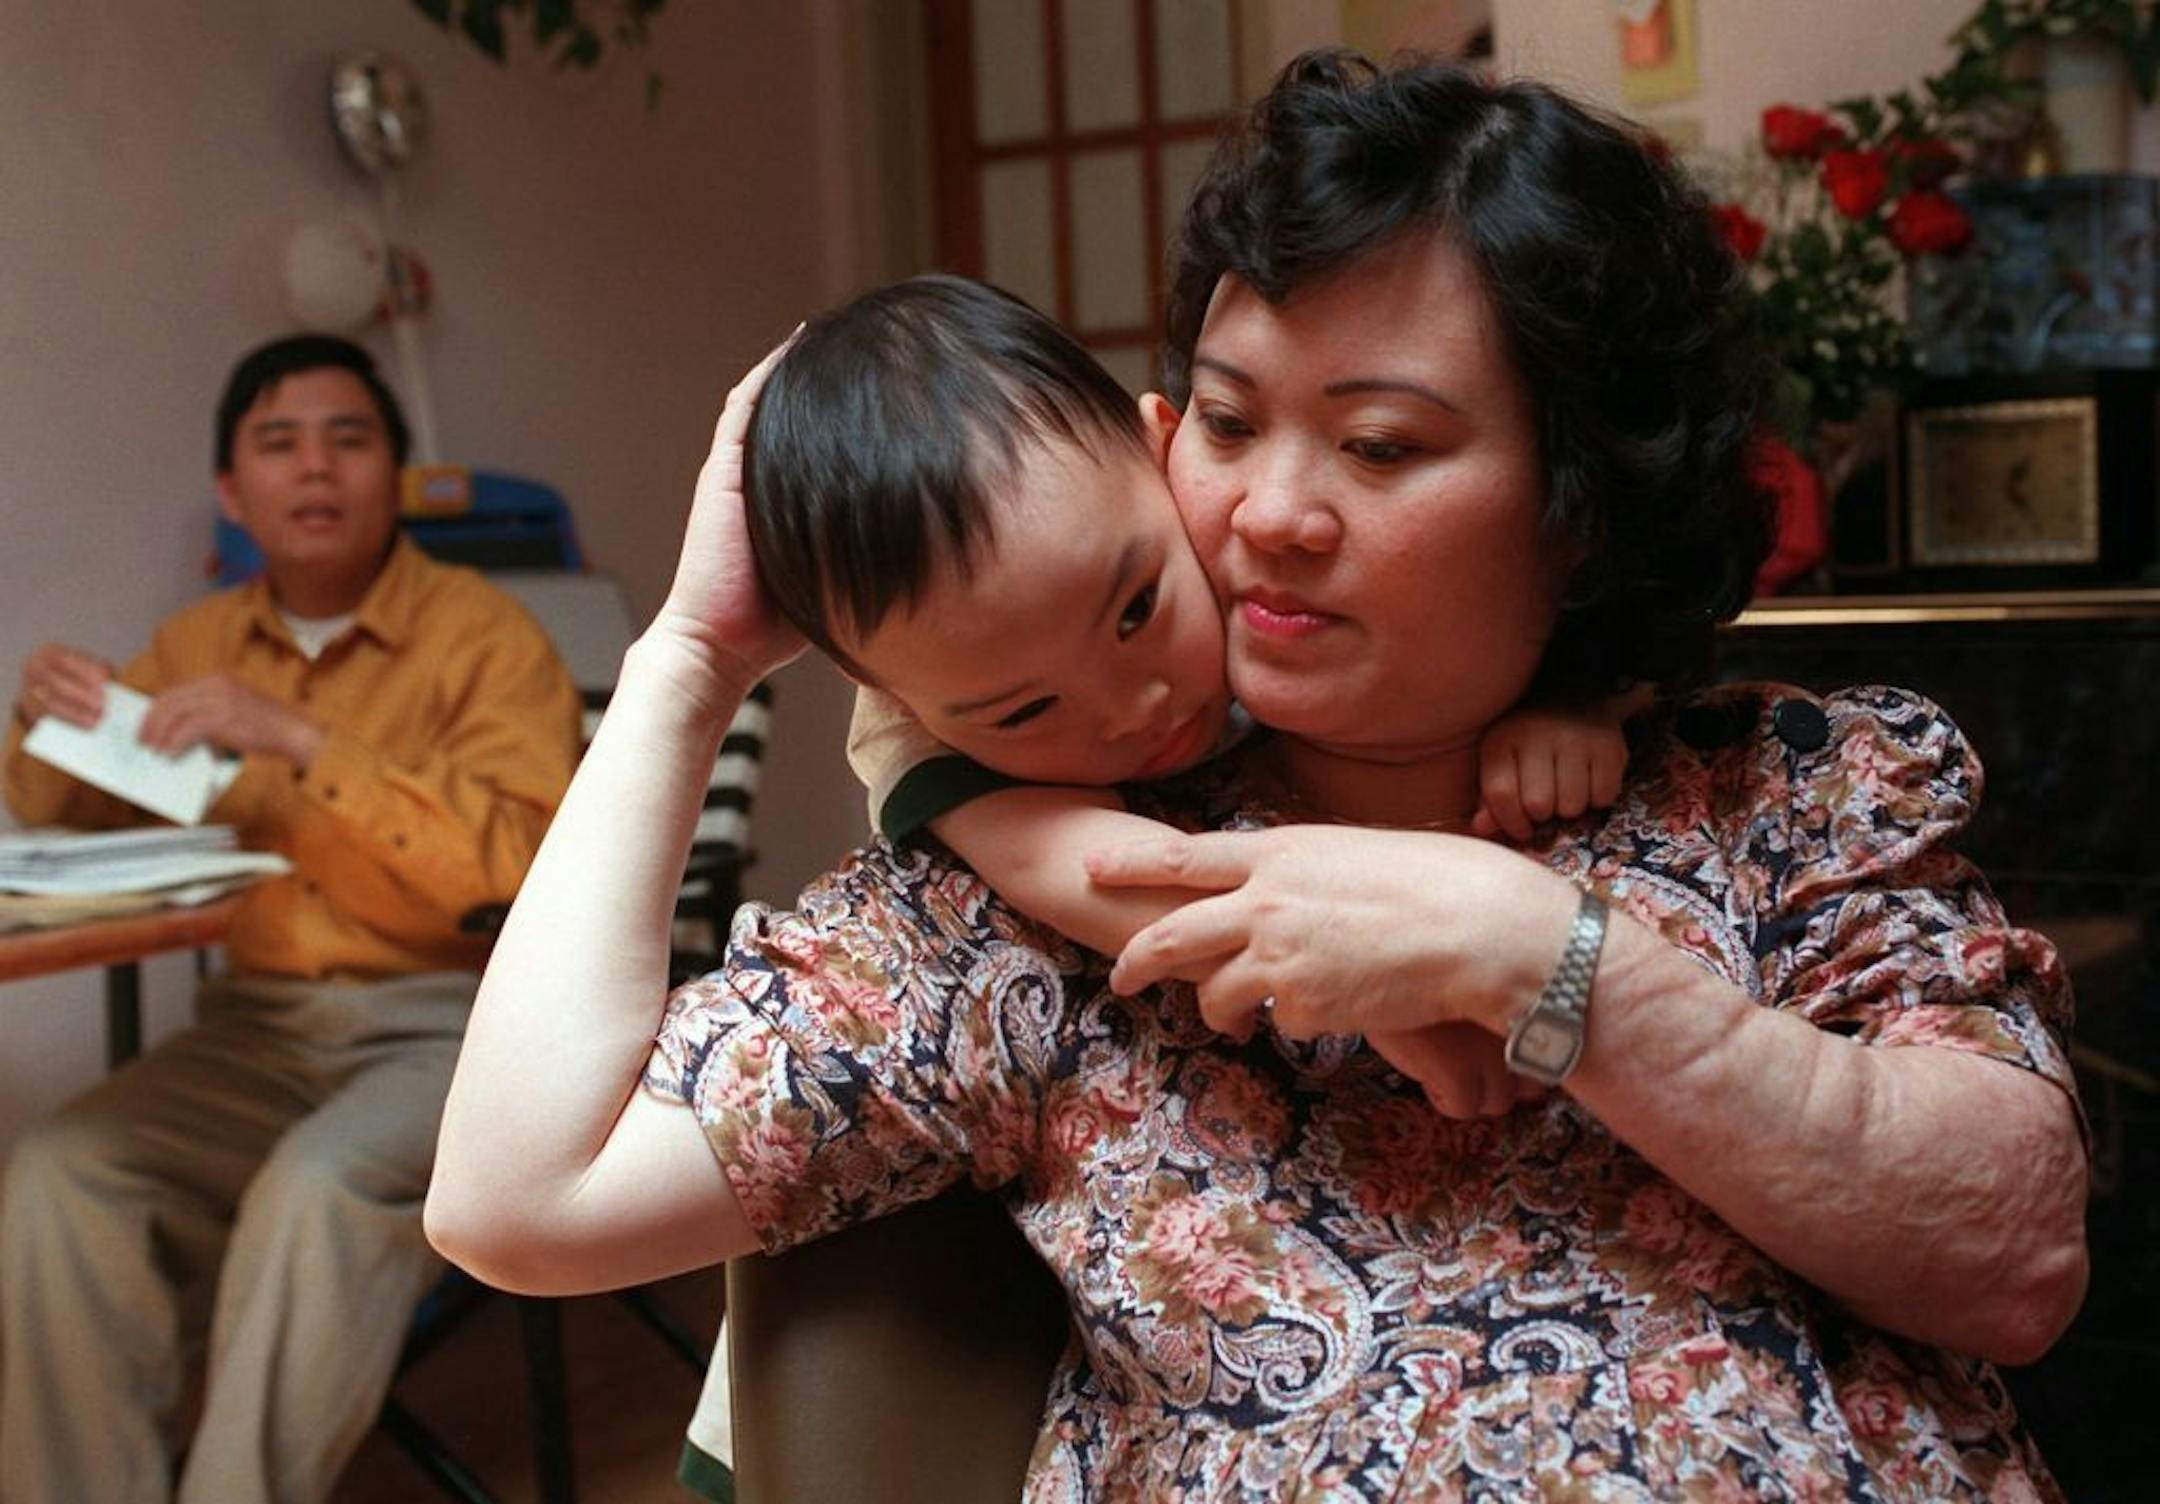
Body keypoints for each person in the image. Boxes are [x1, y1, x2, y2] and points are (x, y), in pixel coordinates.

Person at [429, 52, 2088, 1500]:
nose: (1273, 509)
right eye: (1229, 421)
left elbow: (2014, 1257)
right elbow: (519, 1194)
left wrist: (1545, 956)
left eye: (1378, 445)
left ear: (1580, 499)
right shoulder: (1026, 900)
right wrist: (689, 661)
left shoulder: (1790, 792)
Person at [749, 272, 1640, 1116]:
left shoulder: (1235, 547)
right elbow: (1109, 872)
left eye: (1137, 611)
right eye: (1026, 711)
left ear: (1161, 448)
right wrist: (1384, 1001)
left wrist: (1576, 696)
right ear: (889, 694)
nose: (1132, 707)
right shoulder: (917, 743)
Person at [2, 334, 582, 1504]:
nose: (314, 468)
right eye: (278, 443)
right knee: (64, 1174)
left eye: (348, 438)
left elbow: (525, 868)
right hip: (254, 1033)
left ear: (398, 475)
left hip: (449, 1029)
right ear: (233, 491)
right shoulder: (197, 643)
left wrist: (306, 740)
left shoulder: (490, 638)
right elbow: (63, 818)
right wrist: (48, 727)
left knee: (312, 1189)